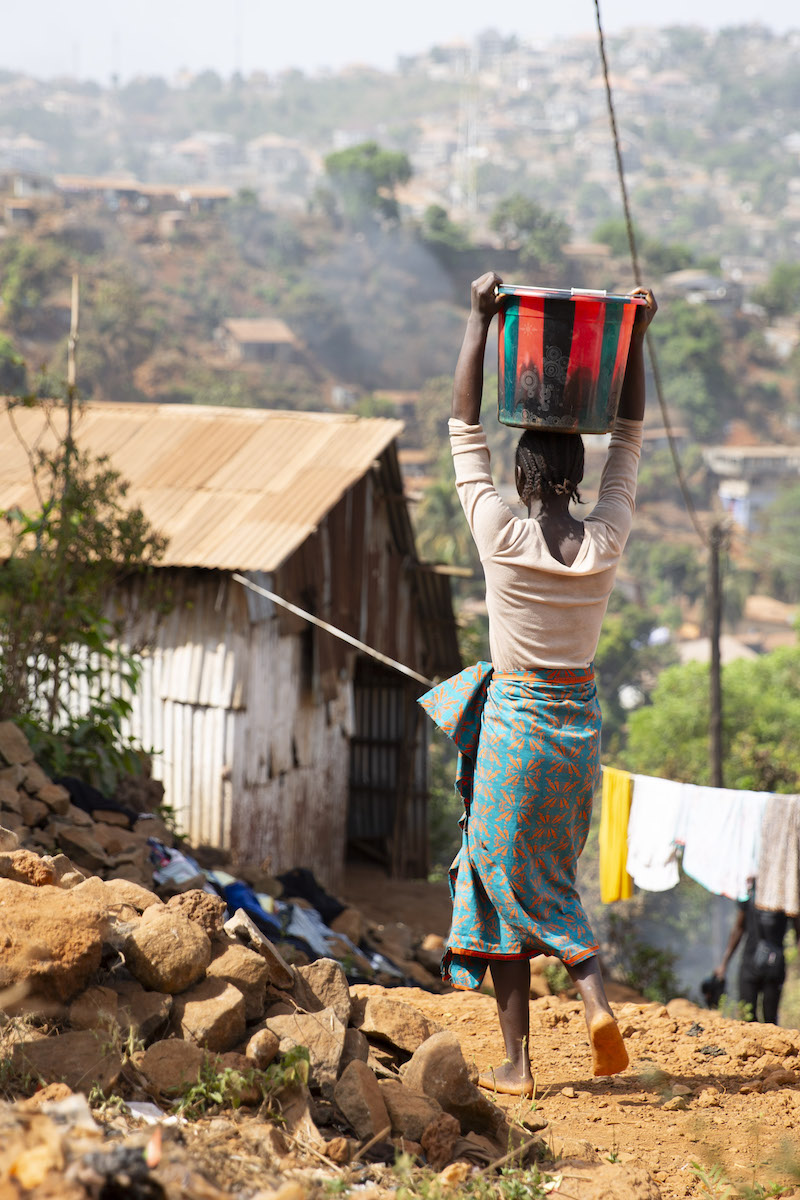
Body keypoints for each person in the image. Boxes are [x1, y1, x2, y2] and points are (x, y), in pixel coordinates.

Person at [419, 271, 657, 1095]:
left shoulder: (500, 535)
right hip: (578, 731)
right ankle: (542, 1044)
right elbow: (627, 437)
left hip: (516, 727)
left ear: (522, 476)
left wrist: (478, 319)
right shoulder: (606, 540)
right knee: (532, 875)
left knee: (499, 875)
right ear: (578, 480)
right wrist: (637, 335)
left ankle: (572, 1015)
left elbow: (461, 427)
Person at [714, 878, 800, 1024]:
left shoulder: (786, 899)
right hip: (750, 964)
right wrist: (724, 963)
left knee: (770, 1019)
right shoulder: (750, 896)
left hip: (774, 967)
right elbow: (738, 929)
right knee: (747, 1015)